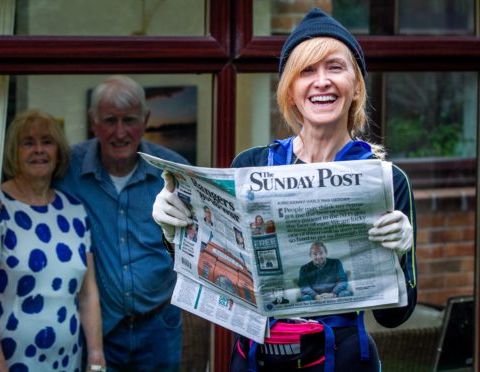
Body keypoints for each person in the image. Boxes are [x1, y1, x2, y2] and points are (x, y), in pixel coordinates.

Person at [152, 8, 417, 371]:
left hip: (345, 360)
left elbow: (394, 319)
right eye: (306, 71)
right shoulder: (251, 165)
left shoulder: (386, 179)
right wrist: (172, 233)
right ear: (290, 91)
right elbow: (211, 283)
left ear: (356, 85)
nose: (321, 81)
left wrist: (399, 255)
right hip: (256, 360)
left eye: (335, 68)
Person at [56, 75, 188, 371]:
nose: (120, 132)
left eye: (129, 120)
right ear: (93, 122)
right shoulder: (67, 170)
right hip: (98, 328)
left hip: (159, 326)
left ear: (145, 120)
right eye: (109, 120)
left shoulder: (174, 172)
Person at [0, 110, 106, 372]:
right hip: (11, 362)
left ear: (59, 152)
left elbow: (88, 293)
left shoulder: (75, 211)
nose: (38, 150)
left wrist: (96, 357)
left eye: (47, 142)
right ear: (13, 153)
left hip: (67, 361)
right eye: (28, 143)